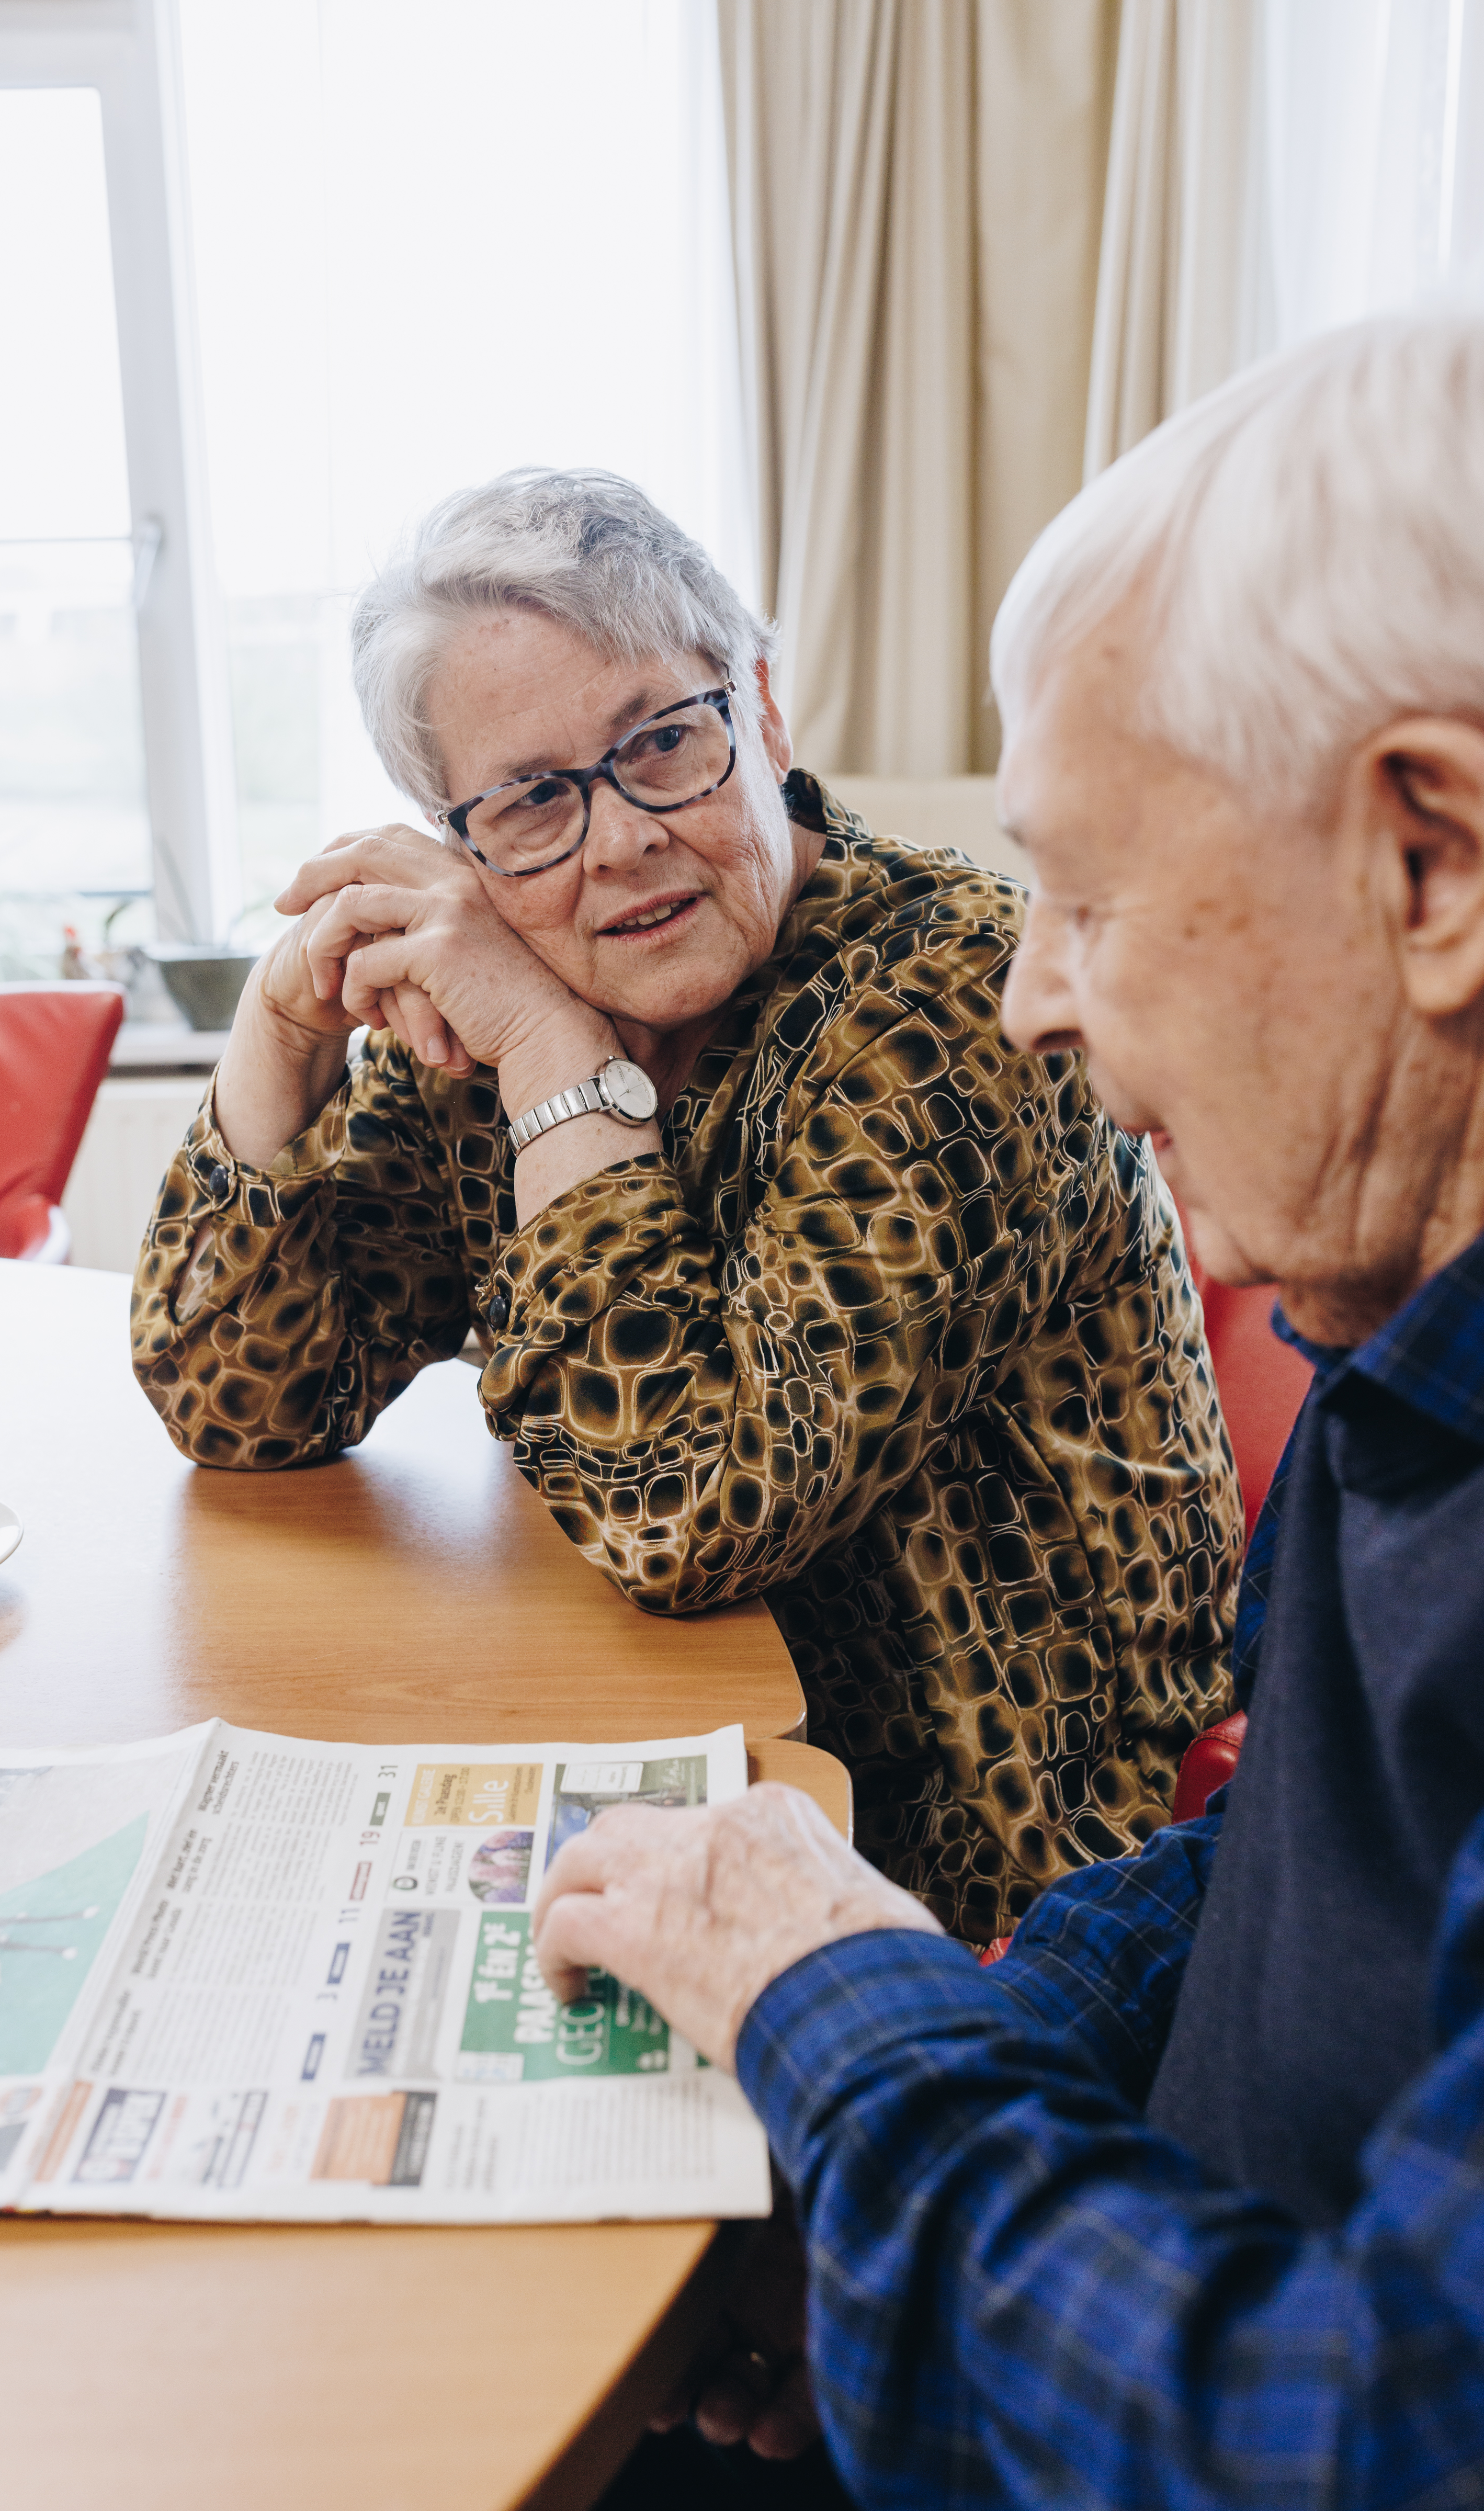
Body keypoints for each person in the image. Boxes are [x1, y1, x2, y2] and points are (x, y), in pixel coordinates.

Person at [534, 314, 1484, 2509]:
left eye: (1084, 894)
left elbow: (1349, 2452)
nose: (1035, 996)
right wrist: (940, 2074)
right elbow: (1301, 1874)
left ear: (1427, 864)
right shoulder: (1401, 1341)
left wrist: (855, 2036)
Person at [131, 469, 1240, 1937]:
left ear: (762, 716)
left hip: (1010, 1871)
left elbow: (693, 1506)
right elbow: (236, 1402)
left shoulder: (954, 1003)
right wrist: (280, 1037)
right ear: (452, 840)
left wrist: (555, 1064)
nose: (619, 839)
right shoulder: (491, 986)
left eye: (662, 742)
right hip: (690, 1763)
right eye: (530, 798)